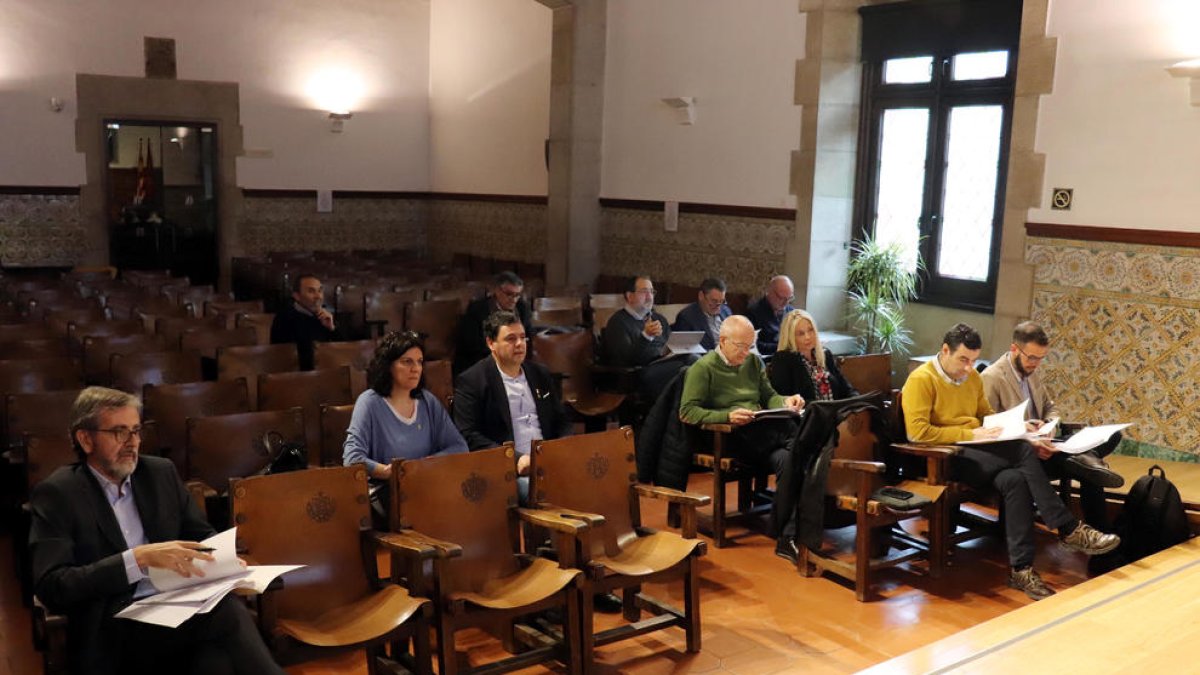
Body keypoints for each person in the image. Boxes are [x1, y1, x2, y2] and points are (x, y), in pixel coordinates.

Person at [28, 387, 284, 675]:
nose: (132, 443)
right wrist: (136, 560)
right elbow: (53, 585)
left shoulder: (159, 473)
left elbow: (202, 536)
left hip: (177, 607)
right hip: (115, 628)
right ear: (85, 439)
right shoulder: (58, 494)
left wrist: (225, 562)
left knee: (215, 662)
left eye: (136, 431)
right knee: (226, 616)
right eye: (119, 432)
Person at [902, 323, 1120, 601]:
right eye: (963, 359)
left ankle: (1021, 569)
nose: (970, 368)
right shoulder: (922, 379)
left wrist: (1020, 426)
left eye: (973, 360)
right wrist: (972, 433)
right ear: (945, 350)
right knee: (1021, 451)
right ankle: (1067, 528)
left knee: (1015, 479)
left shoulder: (971, 378)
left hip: (977, 450)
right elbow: (918, 433)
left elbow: (986, 416)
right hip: (947, 457)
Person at [981, 321, 1124, 531]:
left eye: (1041, 358)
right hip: (1023, 454)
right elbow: (988, 426)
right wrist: (1026, 433)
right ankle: (1103, 538)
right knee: (1090, 473)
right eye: (1032, 357)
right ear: (1014, 348)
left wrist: (1048, 425)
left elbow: (1051, 408)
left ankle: (1084, 459)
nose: (1036, 363)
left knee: (1113, 436)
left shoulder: (1032, 373)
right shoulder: (992, 377)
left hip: (1046, 444)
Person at [679, 316, 805, 552]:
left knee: (789, 459)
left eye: (750, 346)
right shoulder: (703, 368)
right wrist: (727, 417)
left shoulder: (753, 363)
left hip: (760, 435)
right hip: (728, 437)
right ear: (723, 341)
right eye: (741, 347)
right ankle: (808, 443)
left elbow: (769, 396)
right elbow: (687, 412)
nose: (746, 353)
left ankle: (784, 534)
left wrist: (786, 401)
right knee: (801, 441)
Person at [343, 331, 468, 523]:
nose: (416, 368)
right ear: (388, 366)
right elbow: (352, 458)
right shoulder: (369, 402)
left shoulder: (427, 400)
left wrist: (428, 463)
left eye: (419, 362)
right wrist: (385, 471)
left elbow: (459, 447)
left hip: (425, 484)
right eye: (407, 362)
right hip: (388, 491)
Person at [453, 310, 571, 504]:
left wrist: (562, 447)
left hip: (549, 460)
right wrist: (516, 459)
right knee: (547, 491)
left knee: (596, 479)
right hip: (508, 470)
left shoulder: (539, 373)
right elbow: (468, 435)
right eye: (510, 339)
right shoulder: (472, 381)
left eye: (523, 337)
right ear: (491, 343)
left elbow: (561, 419)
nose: (519, 344)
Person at [601, 275, 696, 402]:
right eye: (644, 292)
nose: (650, 297)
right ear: (630, 296)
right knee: (689, 368)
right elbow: (625, 359)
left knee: (694, 360)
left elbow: (667, 345)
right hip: (638, 374)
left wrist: (679, 348)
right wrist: (646, 336)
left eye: (651, 292)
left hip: (663, 364)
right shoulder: (618, 322)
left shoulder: (658, 318)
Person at [453, 271, 534, 375]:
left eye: (517, 295)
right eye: (509, 294)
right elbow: (472, 344)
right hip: (482, 359)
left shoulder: (522, 308)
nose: (514, 299)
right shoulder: (477, 309)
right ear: (497, 291)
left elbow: (529, 336)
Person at [769, 309, 858, 402]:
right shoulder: (783, 359)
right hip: (809, 414)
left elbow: (846, 388)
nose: (808, 337)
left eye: (810, 330)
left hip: (836, 411)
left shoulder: (825, 354)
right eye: (801, 334)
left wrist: (856, 400)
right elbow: (786, 400)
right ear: (790, 337)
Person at [269, 272, 337, 370]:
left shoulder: (325, 315)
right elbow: (290, 357)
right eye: (311, 291)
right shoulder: (284, 318)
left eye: (320, 290)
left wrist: (332, 329)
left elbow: (340, 353)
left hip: (325, 372)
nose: (318, 296)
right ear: (297, 296)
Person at [671, 277, 732, 351]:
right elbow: (685, 351)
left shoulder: (726, 311)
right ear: (701, 296)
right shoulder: (686, 317)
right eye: (714, 301)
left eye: (722, 301)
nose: (718, 306)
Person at [745, 275, 795, 355]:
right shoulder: (754, 312)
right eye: (782, 298)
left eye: (789, 298)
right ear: (770, 292)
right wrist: (783, 347)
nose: (785, 303)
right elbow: (754, 345)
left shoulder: (791, 312)